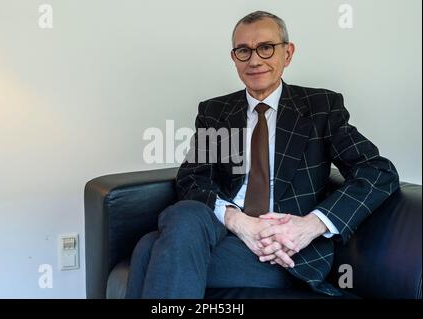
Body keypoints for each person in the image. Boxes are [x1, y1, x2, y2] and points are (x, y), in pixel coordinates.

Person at [125, 10, 399, 298]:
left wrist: (309, 226)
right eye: (243, 50)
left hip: (285, 250)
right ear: (234, 58)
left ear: (287, 53)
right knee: (185, 214)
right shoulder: (216, 112)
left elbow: (377, 171)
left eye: (266, 48)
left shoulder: (320, 107)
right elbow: (194, 178)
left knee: (148, 249)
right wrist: (238, 222)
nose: (254, 60)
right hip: (226, 230)